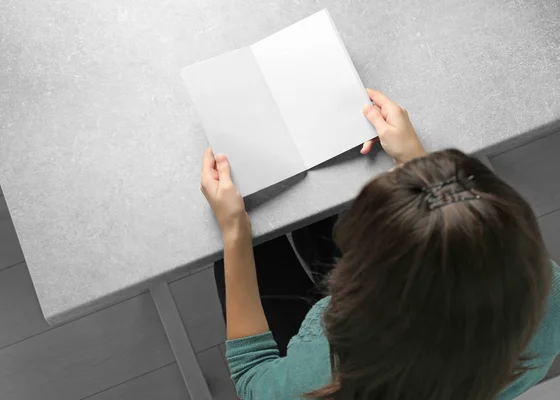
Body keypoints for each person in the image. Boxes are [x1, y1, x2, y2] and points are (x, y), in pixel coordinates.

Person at [200, 89, 560, 400]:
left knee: (262, 250)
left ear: (360, 282)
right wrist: (419, 165)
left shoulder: (326, 371)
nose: (391, 172)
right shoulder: (549, 292)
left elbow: (253, 380)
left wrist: (234, 232)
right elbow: (464, 241)